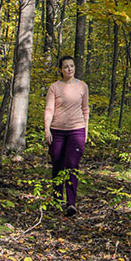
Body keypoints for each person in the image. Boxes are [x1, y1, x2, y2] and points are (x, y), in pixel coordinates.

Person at [44, 55, 89, 216]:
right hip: (57, 131)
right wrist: (47, 129)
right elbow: (49, 109)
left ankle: (71, 203)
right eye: (66, 67)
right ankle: (56, 199)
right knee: (57, 165)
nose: (70, 69)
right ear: (61, 70)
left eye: (72, 66)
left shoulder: (83, 86)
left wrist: (86, 132)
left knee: (72, 166)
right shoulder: (54, 87)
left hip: (76, 130)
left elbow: (85, 110)